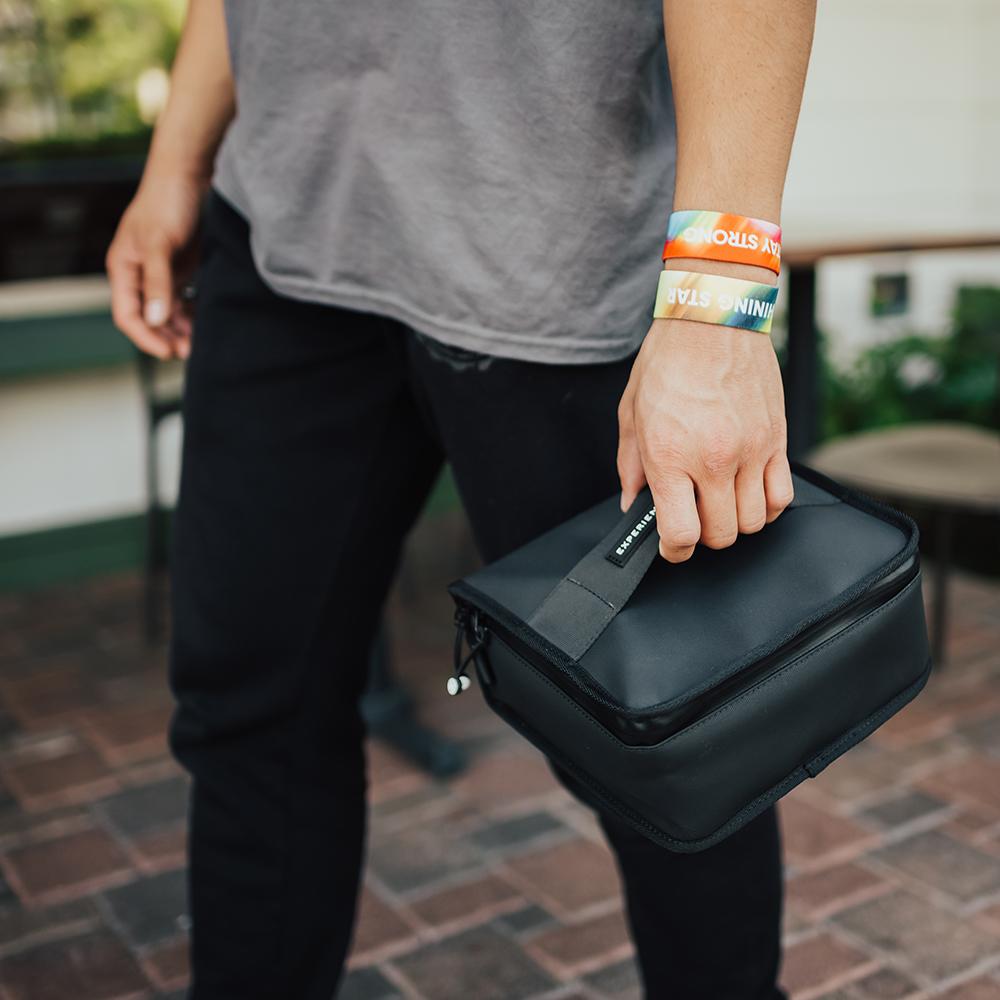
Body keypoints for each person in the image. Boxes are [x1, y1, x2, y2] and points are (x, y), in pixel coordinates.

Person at [107, 2, 816, 997]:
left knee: (671, 739)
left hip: (547, 259)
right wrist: (174, 164)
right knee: (246, 709)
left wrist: (718, 308)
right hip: (284, 237)